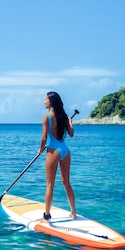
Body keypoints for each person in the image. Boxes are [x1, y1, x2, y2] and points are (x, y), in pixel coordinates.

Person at [38, 91, 76, 222]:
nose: (44, 101)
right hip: (65, 150)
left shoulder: (47, 117)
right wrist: (70, 123)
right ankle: (73, 213)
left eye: (46, 99)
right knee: (66, 182)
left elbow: (44, 138)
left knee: (49, 184)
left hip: (53, 150)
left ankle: (47, 216)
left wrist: (40, 149)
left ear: (51, 102)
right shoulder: (64, 117)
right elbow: (71, 134)